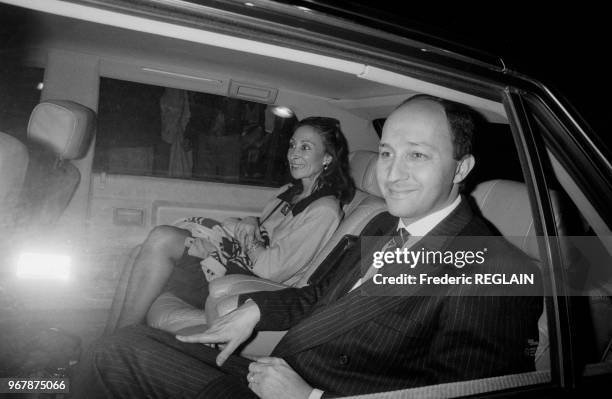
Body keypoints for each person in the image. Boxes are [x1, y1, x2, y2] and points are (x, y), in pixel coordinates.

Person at [72, 95, 542, 398]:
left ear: (461, 169)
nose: (391, 174)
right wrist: (257, 311)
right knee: (118, 346)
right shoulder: (386, 229)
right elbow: (322, 296)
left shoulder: (493, 268)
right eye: (386, 153)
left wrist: (310, 398)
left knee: (116, 356)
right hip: (281, 369)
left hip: (309, 391)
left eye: (417, 155)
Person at [105, 116, 355, 333]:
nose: (293, 154)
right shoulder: (289, 192)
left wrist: (247, 233)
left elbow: (270, 270)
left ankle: (116, 343)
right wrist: (247, 222)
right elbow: (250, 228)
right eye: (292, 145)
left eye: (305, 147)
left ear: (327, 159)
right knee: (139, 251)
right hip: (236, 261)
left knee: (162, 237)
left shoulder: (324, 211)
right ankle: (108, 338)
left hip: (251, 285)